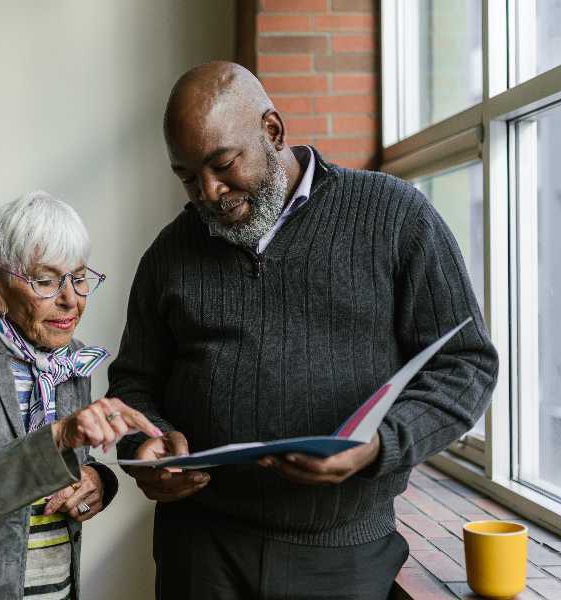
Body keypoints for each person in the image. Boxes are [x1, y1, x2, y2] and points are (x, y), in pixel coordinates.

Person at [109, 62, 499, 600]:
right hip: (198, 551)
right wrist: (143, 442)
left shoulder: (394, 216)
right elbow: (132, 383)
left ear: (272, 130)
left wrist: (380, 446)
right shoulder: (170, 252)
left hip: (342, 554)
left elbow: (467, 365)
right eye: (187, 176)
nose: (209, 191)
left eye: (222, 164)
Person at [0, 192, 162, 600]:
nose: (71, 299)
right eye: (46, 280)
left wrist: (98, 482)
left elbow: (71, 470)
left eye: (79, 277)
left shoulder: (72, 360)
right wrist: (56, 439)